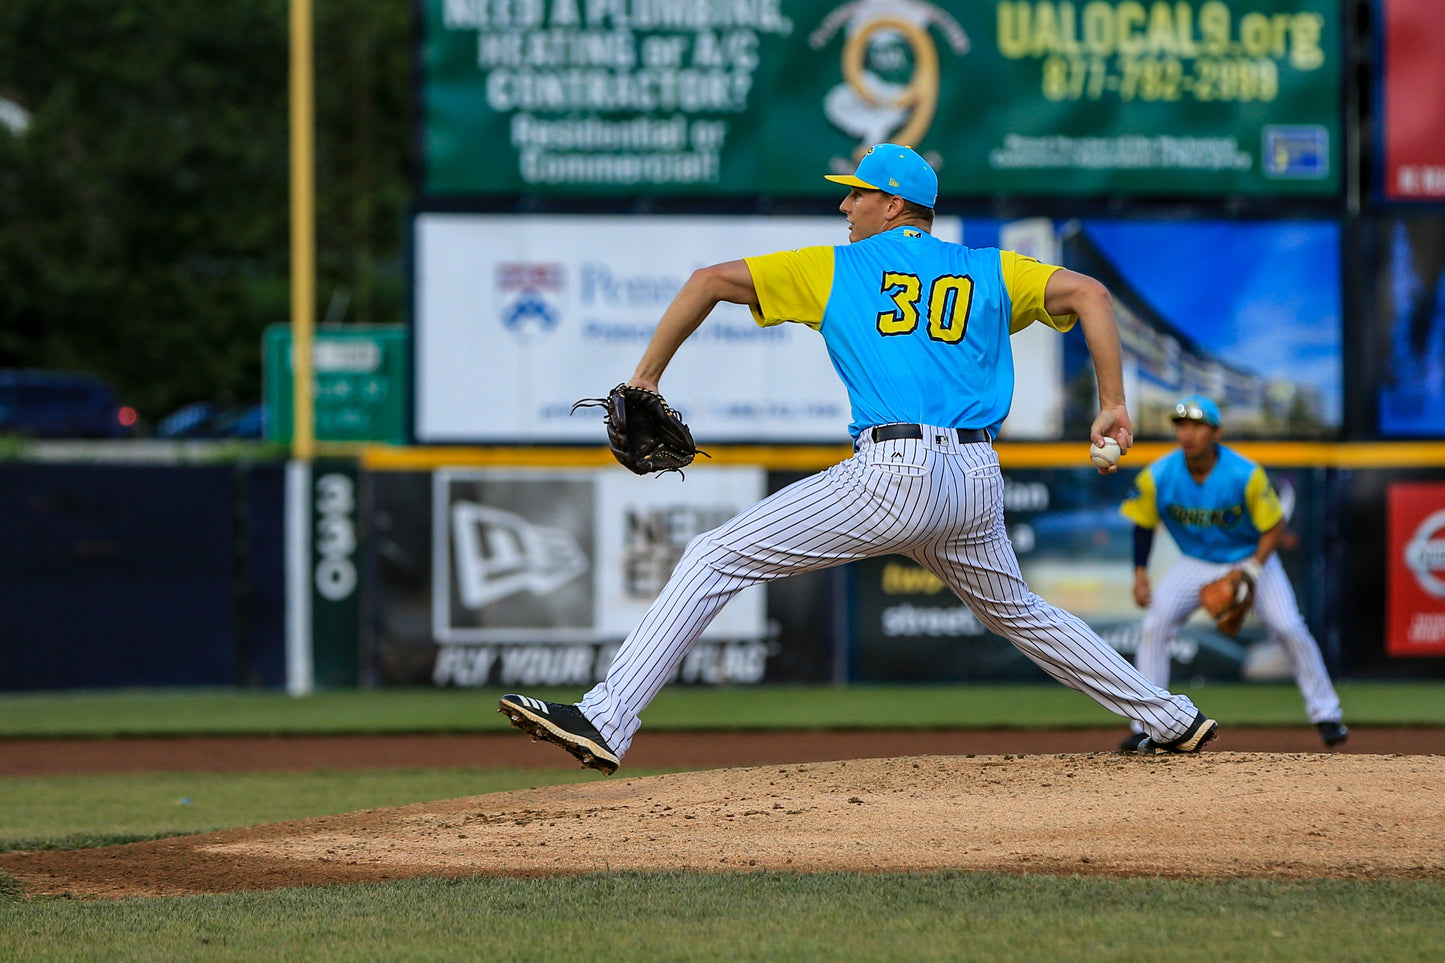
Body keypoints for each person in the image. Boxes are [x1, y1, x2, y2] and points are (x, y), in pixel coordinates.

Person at [498, 144, 1217, 773]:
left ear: (893, 204)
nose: (844, 205)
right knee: (1018, 613)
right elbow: (1090, 293)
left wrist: (645, 377)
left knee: (714, 555)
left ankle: (606, 715)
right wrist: (1112, 401)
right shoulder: (989, 268)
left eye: (856, 192)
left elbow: (706, 281)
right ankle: (1169, 717)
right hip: (973, 478)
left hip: (894, 471)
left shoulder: (837, 268)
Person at [1117, 394, 1347, 750]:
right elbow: (1142, 524)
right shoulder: (1159, 475)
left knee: (1288, 626)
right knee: (1155, 625)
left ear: (1216, 431)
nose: (1188, 433)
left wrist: (1254, 570)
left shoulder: (1244, 474)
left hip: (1251, 559)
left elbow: (1275, 525)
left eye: (1197, 425)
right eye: (1182, 425)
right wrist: (1139, 573)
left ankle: (1327, 713)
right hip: (1195, 561)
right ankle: (1145, 725)